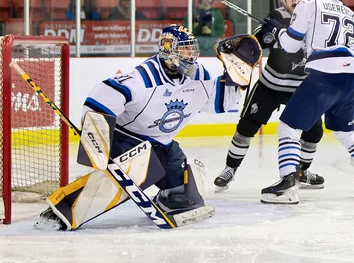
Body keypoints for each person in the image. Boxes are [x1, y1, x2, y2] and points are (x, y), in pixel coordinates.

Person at [35, 25, 261, 230]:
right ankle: (60, 211)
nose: (190, 55)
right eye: (184, 50)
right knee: (138, 169)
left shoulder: (199, 77)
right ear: (168, 50)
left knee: (186, 194)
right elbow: (104, 94)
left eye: (192, 50)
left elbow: (221, 103)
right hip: (126, 140)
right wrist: (96, 133)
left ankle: (166, 198)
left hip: (163, 145)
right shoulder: (145, 77)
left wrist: (236, 78)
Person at [259, 0, 354, 204]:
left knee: (289, 126)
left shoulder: (308, 4)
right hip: (350, 79)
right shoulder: (351, 13)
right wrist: (343, 73)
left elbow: (289, 45)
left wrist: (277, 29)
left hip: (323, 77)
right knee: (346, 132)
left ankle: (288, 182)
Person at [214, 0, 324, 193]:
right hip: (269, 86)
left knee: (314, 132)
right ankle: (229, 169)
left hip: (301, 90)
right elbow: (253, 45)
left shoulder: (317, 21)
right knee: (245, 127)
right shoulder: (274, 19)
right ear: (283, 1)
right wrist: (258, 37)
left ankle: (301, 171)